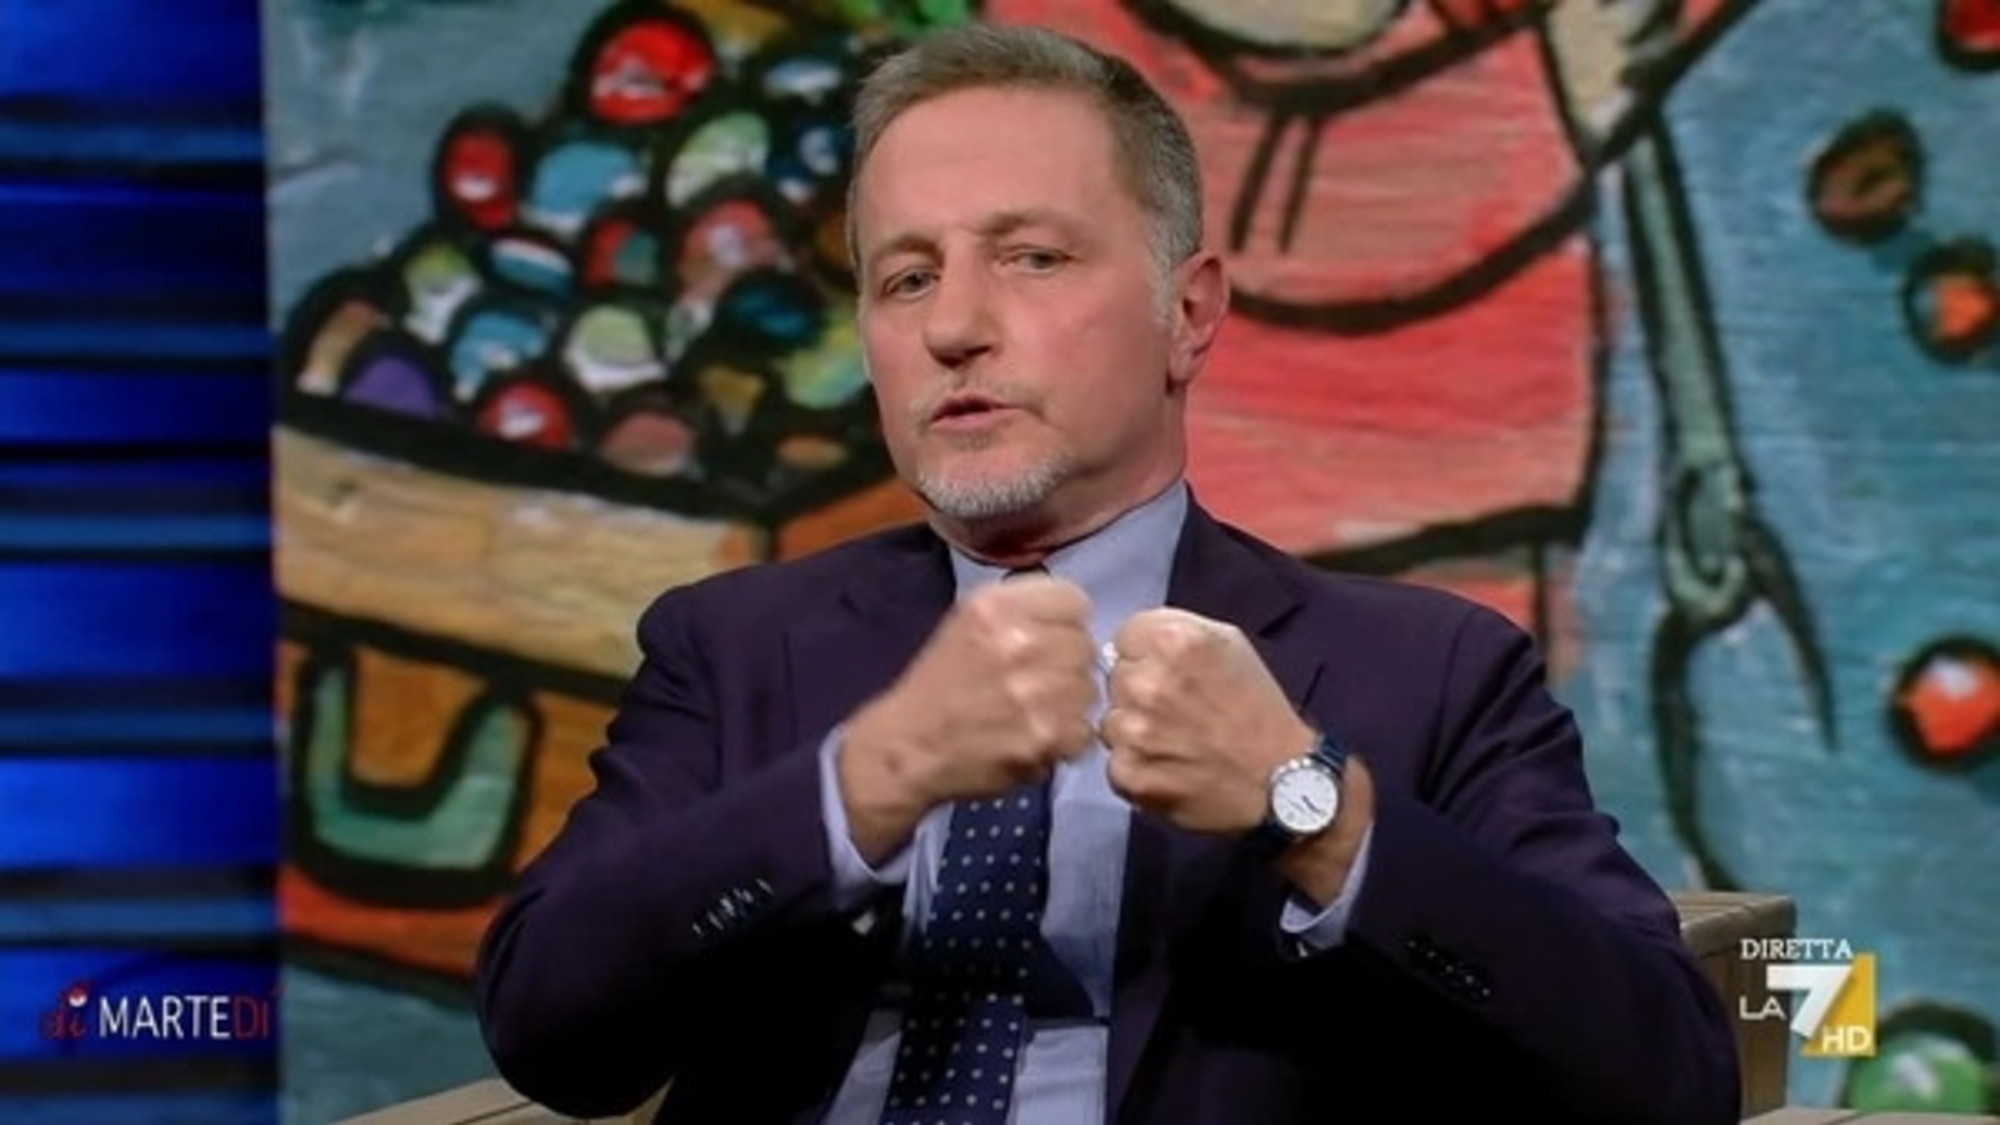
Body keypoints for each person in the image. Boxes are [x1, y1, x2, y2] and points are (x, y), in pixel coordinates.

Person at [474, 23, 1740, 1124]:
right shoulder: (731, 646)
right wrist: (863, 786)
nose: (951, 326)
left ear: (1187, 313)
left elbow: (1671, 1074)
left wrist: (1310, 812)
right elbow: (547, 1032)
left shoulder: (1428, 673)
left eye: (1030, 257)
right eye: (905, 277)